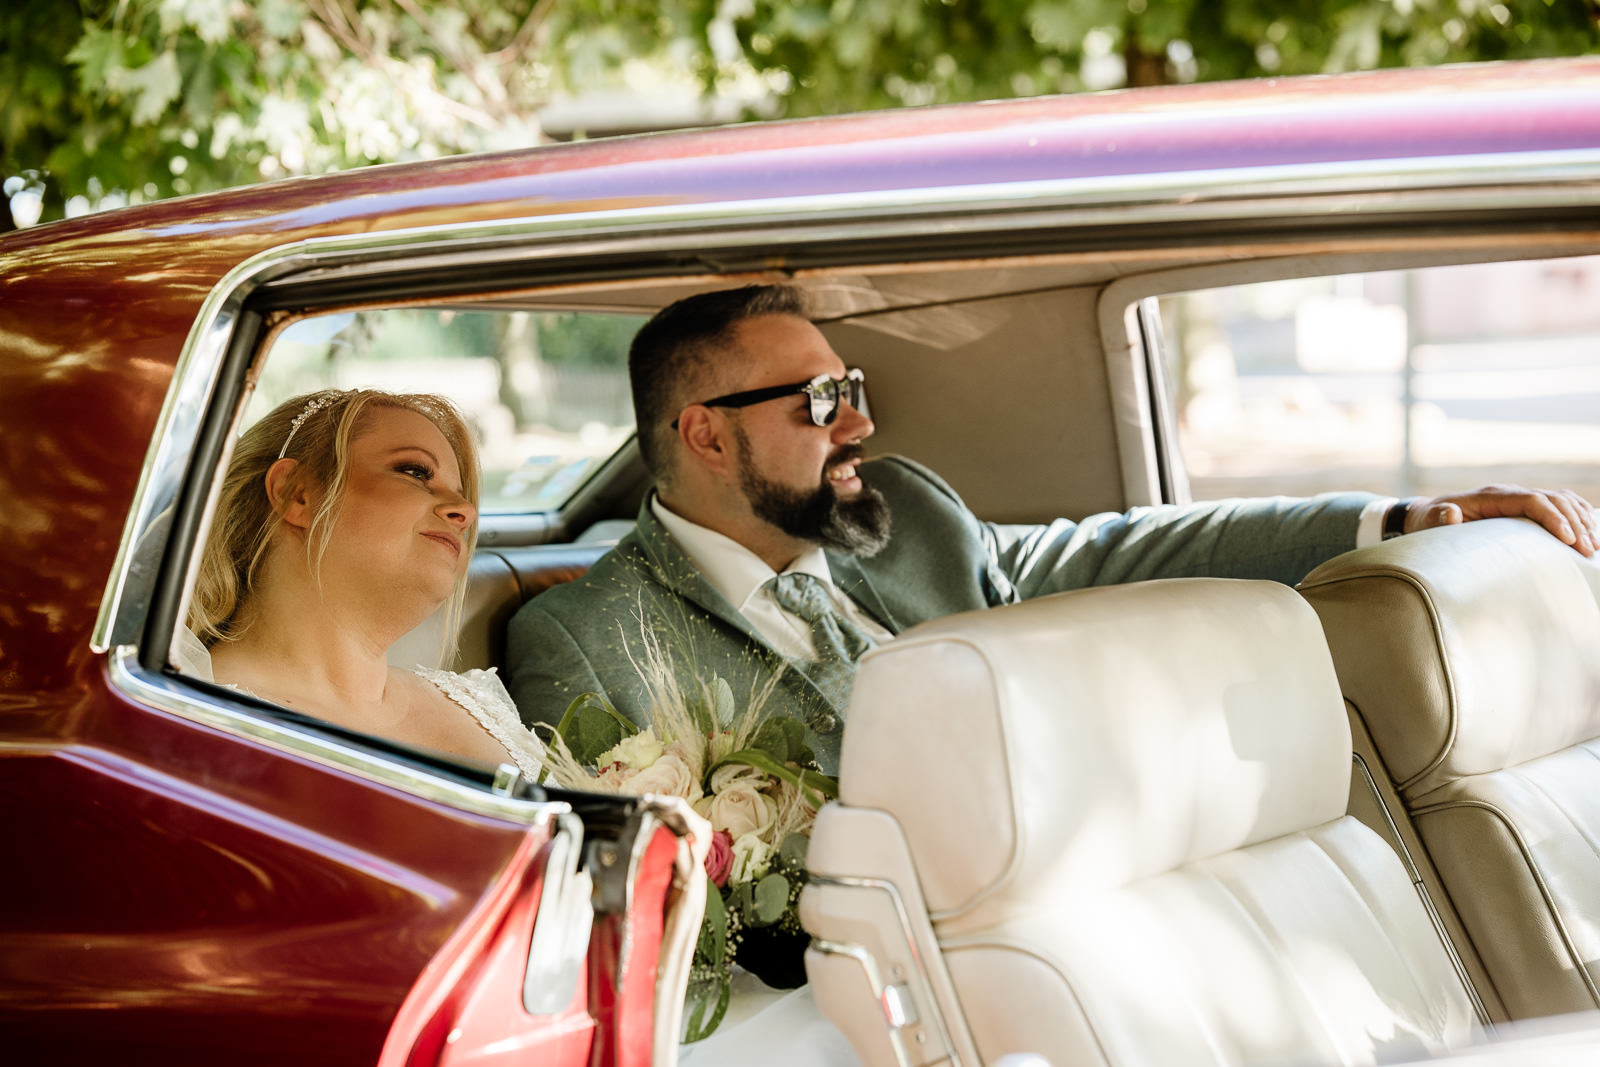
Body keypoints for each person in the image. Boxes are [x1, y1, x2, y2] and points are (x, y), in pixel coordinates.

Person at [505, 283, 1599, 772]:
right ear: (705, 433)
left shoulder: (911, 514)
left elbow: (1122, 552)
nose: (862, 423)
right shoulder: (587, 638)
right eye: (822, 400)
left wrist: (1402, 517)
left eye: (854, 387)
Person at [185, 388, 544, 777]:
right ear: (297, 494)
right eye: (416, 472)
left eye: (462, 495)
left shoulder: (477, 705)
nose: (466, 512)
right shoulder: (195, 724)